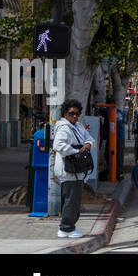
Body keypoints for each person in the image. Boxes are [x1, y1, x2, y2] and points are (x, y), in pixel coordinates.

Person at [51, 99, 94, 239]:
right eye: (71, 113)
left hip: (77, 171)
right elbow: (57, 145)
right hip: (69, 170)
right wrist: (75, 151)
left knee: (73, 199)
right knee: (72, 200)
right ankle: (66, 228)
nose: (74, 116)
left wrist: (87, 144)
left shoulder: (79, 126)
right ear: (65, 113)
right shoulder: (64, 127)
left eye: (77, 114)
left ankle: (68, 227)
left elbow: (90, 139)